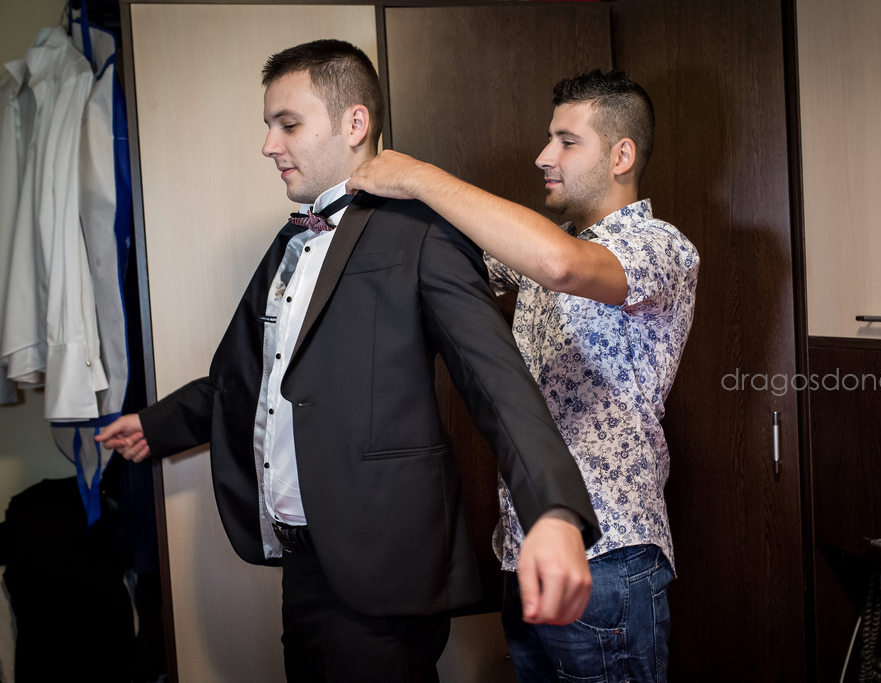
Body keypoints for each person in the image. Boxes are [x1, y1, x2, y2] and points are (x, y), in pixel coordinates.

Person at [95, 40, 601, 683]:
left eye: (288, 124)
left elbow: (496, 383)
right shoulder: (290, 243)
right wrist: (156, 425)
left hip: (382, 563)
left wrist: (553, 511)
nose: (269, 145)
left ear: (354, 123)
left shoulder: (422, 232)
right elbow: (247, 380)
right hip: (301, 559)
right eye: (268, 126)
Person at [349, 69, 699, 682]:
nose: (544, 156)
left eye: (567, 141)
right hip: (523, 547)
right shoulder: (547, 243)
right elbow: (455, 265)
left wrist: (417, 176)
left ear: (621, 156)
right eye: (549, 137)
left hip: (608, 556)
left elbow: (560, 265)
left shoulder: (659, 247)